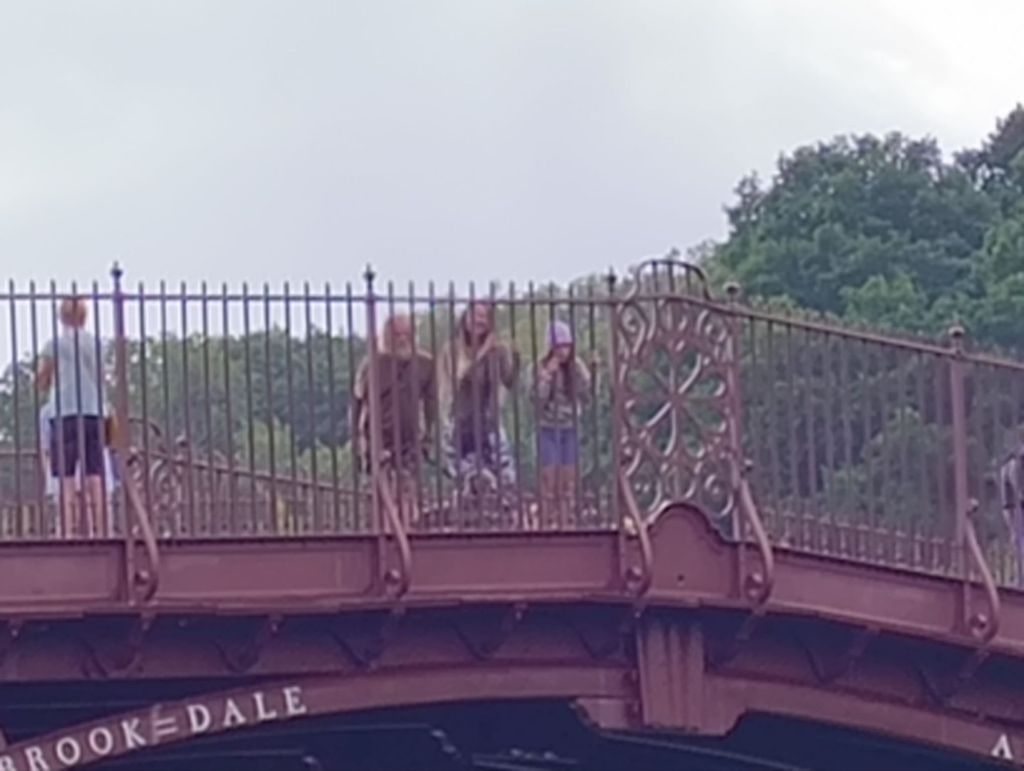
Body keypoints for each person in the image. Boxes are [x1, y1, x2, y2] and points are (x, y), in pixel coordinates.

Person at [352, 315, 437, 524]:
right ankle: (385, 530)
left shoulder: (425, 365)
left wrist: (428, 437)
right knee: (382, 491)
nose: (402, 339)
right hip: (378, 438)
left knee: (407, 489)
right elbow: (357, 403)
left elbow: (431, 404)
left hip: (410, 439)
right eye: (396, 334)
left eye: (407, 334)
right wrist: (357, 442)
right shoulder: (372, 365)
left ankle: (406, 528)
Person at [36, 297, 107, 537]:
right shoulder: (96, 343)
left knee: (65, 474)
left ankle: (68, 530)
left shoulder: (54, 345)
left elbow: (42, 380)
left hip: (65, 411)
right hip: (94, 411)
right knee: (95, 472)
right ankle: (101, 529)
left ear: (61, 317)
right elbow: (102, 376)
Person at [437, 302, 520, 497]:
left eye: (484, 317)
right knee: (462, 474)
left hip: (488, 418)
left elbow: (508, 380)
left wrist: (515, 360)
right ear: (466, 318)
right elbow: (460, 376)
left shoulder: (497, 350)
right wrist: (483, 352)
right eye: (476, 316)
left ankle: (499, 505)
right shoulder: (453, 349)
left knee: (504, 473)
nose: (480, 321)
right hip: (460, 418)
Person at [533, 320, 591, 526]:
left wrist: (589, 374)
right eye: (559, 346)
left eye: (567, 346)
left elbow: (588, 395)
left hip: (570, 427)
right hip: (547, 427)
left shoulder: (577, 367)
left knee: (568, 479)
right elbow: (537, 401)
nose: (563, 352)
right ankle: (546, 521)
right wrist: (547, 377)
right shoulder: (540, 368)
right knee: (549, 478)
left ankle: (566, 521)